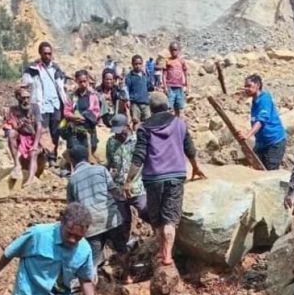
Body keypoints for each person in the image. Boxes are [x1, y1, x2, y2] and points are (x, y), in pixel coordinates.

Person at [126, 92, 206, 266]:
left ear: (150, 108)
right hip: (175, 176)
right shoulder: (179, 124)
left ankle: (161, 250)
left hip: (153, 178)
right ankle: (168, 255)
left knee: (157, 218)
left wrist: (129, 180)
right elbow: (190, 149)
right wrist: (196, 167)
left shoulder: (144, 128)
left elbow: (138, 157)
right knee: (170, 217)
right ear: (168, 106)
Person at [67, 145, 126, 270]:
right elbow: (114, 191)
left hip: (91, 225)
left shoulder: (72, 180)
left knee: (93, 261)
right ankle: (127, 277)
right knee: (122, 250)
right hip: (110, 218)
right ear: (87, 157)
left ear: (72, 160)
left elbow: (72, 207)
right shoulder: (101, 170)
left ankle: (92, 284)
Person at [106, 114, 147, 281]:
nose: (118, 134)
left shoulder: (138, 141)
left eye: (120, 131)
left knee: (146, 212)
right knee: (122, 223)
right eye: (115, 131)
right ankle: (125, 266)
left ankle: (154, 245)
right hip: (119, 191)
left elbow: (144, 161)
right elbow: (111, 164)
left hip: (138, 187)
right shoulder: (111, 143)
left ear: (127, 126)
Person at [21, 41, 67, 165]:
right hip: (41, 106)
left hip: (56, 105)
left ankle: (53, 157)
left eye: (49, 53)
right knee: (43, 132)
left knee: (56, 132)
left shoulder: (56, 68)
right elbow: (24, 86)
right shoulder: (32, 69)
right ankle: (46, 158)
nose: (47, 56)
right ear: (40, 53)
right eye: (45, 53)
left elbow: (61, 86)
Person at [238, 74, 287, 170]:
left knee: (270, 171)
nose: (246, 89)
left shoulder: (264, 99)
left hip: (274, 142)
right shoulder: (255, 101)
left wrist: (247, 135)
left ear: (258, 85)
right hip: (261, 143)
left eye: (249, 86)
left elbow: (261, 120)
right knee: (257, 169)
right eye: (245, 86)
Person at [4, 87, 49, 185]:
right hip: (23, 136)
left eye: (28, 98)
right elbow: (15, 127)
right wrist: (21, 125)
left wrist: (35, 144)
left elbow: (39, 127)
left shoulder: (35, 107)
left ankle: (30, 179)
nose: (26, 100)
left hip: (35, 136)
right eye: (23, 98)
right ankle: (17, 164)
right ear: (18, 98)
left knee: (33, 153)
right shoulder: (13, 110)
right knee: (11, 133)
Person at [62, 70, 101, 158]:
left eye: (85, 81)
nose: (83, 84)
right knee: (74, 149)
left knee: (89, 151)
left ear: (88, 81)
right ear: (76, 81)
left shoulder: (93, 96)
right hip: (75, 128)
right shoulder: (72, 96)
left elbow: (96, 111)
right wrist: (74, 117)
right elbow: (66, 111)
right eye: (80, 82)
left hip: (88, 128)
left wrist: (88, 117)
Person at [124, 55, 153, 125]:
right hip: (135, 103)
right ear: (132, 64)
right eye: (136, 64)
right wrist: (127, 100)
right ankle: (135, 135)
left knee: (148, 121)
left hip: (145, 103)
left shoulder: (145, 76)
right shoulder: (129, 76)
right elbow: (126, 89)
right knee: (136, 121)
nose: (138, 66)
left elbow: (150, 87)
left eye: (140, 64)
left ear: (142, 64)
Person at [164, 42, 189, 117]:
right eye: (172, 50)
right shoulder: (167, 61)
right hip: (170, 87)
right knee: (169, 106)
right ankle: (169, 122)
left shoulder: (182, 61)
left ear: (179, 50)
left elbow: (185, 73)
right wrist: (165, 86)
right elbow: (164, 74)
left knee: (178, 107)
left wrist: (187, 86)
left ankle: (177, 123)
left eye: (175, 50)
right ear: (169, 50)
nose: (173, 52)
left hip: (179, 87)